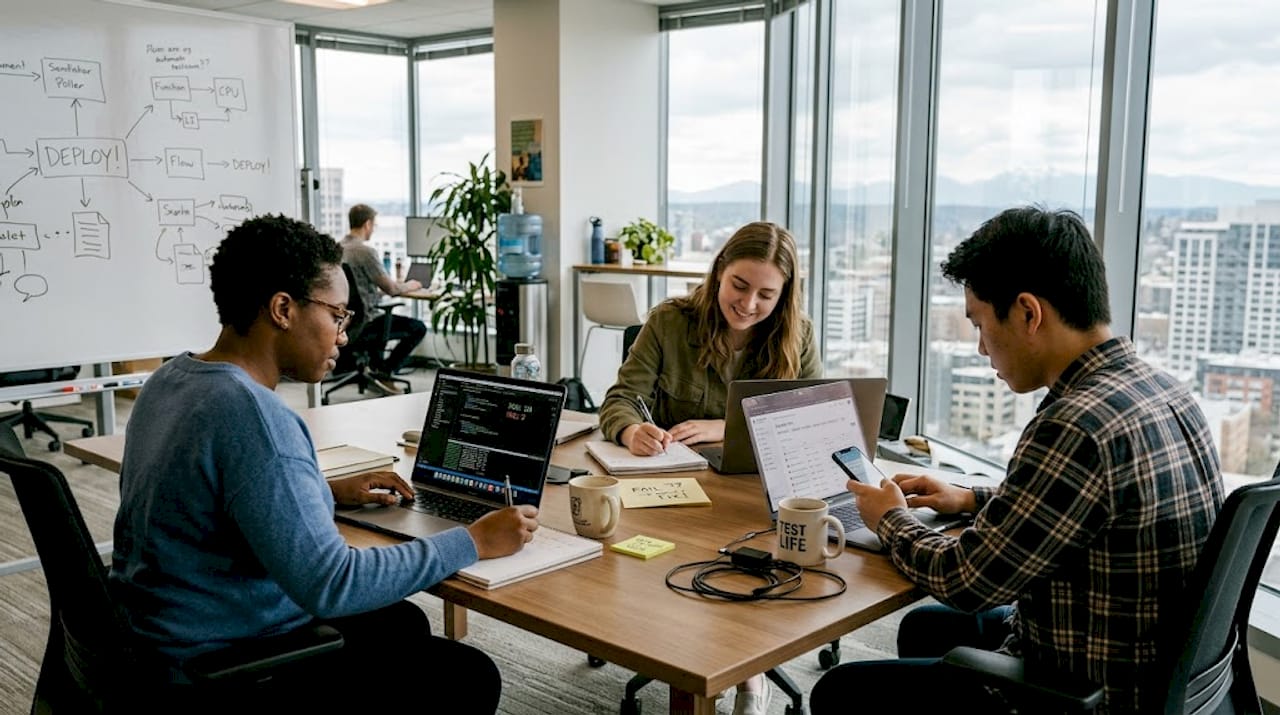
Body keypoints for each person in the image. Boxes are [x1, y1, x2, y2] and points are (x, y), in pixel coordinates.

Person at [109, 214, 539, 713]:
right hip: (220, 660)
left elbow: (202, 496)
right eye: (337, 315)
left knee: (403, 622)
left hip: (155, 634)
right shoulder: (256, 418)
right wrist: (474, 540)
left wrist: (320, 490)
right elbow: (335, 583)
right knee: (467, 675)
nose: (343, 336)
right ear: (283, 309)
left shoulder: (170, 379)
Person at [810, 207, 1225, 715]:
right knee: (925, 626)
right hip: (1156, 677)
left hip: (1083, 696)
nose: (982, 347)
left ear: (1028, 313)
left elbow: (965, 581)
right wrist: (970, 498)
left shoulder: (1076, 425)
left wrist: (889, 519)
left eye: (981, 324)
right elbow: (1081, 506)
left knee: (840, 692)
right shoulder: (1163, 390)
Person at [597, 220, 820, 715]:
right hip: (678, 491)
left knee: (754, 562)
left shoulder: (796, 334)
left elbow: (810, 417)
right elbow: (621, 398)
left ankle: (748, 673)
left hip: (756, 491)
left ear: (784, 295)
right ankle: (710, 665)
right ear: (719, 270)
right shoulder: (670, 322)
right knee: (687, 570)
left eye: (766, 294)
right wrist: (631, 430)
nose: (748, 304)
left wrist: (728, 424)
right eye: (739, 286)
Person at [339, 203, 428, 393]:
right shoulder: (365, 252)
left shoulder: (338, 249)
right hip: (368, 321)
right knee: (418, 328)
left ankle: (375, 370)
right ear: (368, 224)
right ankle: (385, 372)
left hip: (347, 322)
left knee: (387, 320)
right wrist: (412, 284)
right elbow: (392, 289)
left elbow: (355, 289)